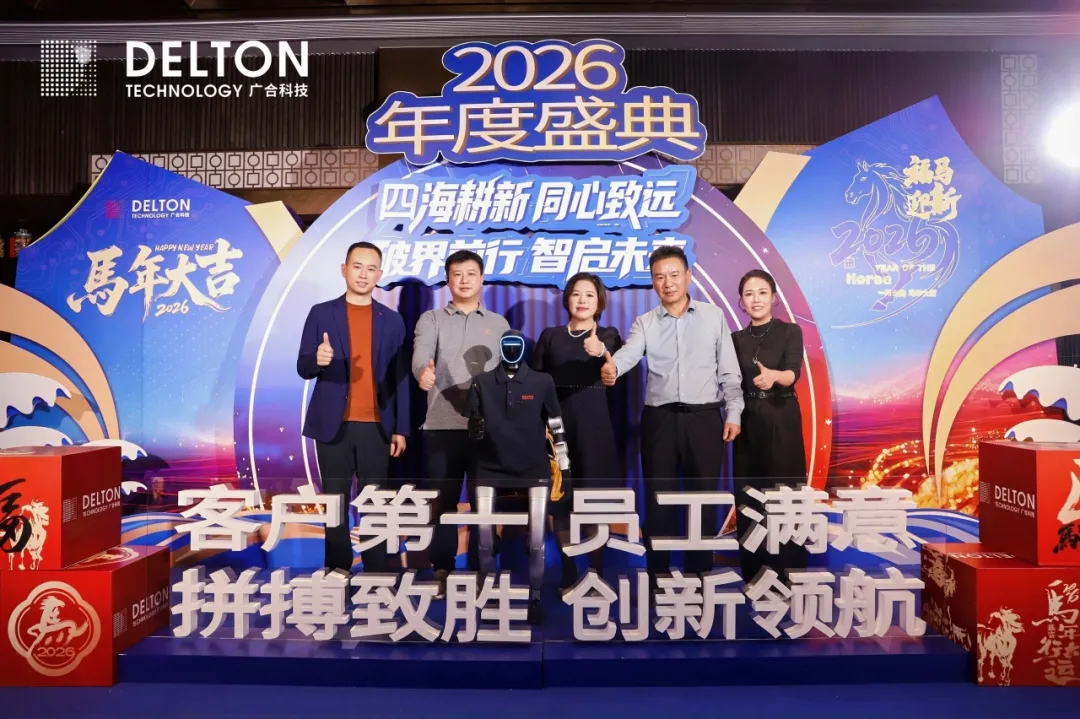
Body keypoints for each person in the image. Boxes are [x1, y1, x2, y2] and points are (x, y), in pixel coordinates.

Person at [601, 246, 743, 592]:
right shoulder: (645, 322)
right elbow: (629, 353)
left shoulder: (713, 316)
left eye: (674, 275)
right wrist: (613, 367)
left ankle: (699, 577)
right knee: (658, 500)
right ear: (652, 282)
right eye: (659, 277)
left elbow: (728, 370)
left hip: (705, 418)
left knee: (703, 500)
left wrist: (734, 411)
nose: (667, 283)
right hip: (660, 421)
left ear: (688, 276)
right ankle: (657, 579)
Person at [296, 241, 410, 575]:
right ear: (344, 270)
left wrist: (401, 427)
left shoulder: (392, 321)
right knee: (335, 503)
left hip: (377, 426)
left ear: (380, 275)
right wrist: (318, 360)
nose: (363, 274)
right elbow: (303, 367)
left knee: (375, 503)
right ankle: (338, 568)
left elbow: (401, 379)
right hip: (333, 426)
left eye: (371, 269)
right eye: (357, 267)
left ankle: (376, 572)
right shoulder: (321, 313)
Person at [412, 250, 510, 597]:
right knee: (443, 502)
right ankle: (442, 569)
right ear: (448, 280)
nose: (464, 280)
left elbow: (508, 374)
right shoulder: (432, 319)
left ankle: (485, 570)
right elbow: (421, 354)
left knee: (486, 504)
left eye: (471, 273)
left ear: (481, 279)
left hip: (488, 429)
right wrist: (422, 372)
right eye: (457, 274)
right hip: (442, 426)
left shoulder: (499, 324)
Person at [467, 329, 568, 624]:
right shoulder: (482, 382)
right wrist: (475, 429)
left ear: (523, 349)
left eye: (516, 346)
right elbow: (472, 421)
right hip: (489, 466)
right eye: (507, 346)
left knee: (536, 538)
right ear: (501, 349)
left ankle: (535, 596)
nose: (512, 351)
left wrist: (563, 460)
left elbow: (556, 422)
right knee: (485, 538)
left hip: (533, 466)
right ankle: (488, 593)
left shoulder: (541, 381)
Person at [531, 272, 623, 588]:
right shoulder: (550, 336)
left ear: (599, 303)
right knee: (562, 503)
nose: (582, 300)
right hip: (557, 430)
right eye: (576, 294)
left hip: (595, 430)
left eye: (589, 295)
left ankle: (596, 573)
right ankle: (569, 571)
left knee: (594, 504)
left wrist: (601, 350)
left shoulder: (609, 335)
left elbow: (615, 366)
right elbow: (535, 383)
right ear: (567, 299)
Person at [731, 269, 808, 586]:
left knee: (785, 495)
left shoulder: (790, 331)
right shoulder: (734, 340)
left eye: (762, 292)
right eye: (749, 294)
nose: (756, 299)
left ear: (773, 298)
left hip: (781, 416)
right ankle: (754, 574)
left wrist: (774, 376)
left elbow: (792, 373)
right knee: (749, 497)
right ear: (741, 301)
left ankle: (789, 573)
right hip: (747, 420)